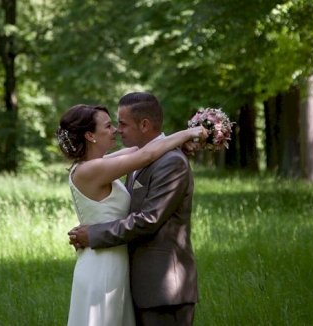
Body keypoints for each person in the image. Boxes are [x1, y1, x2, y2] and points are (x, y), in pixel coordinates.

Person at [56, 102, 206, 326]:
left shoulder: (101, 163)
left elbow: (143, 149)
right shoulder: (90, 169)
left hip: (116, 261)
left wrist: (177, 144)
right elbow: (146, 155)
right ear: (90, 135)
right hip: (103, 265)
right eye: (108, 126)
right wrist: (189, 132)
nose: (115, 130)